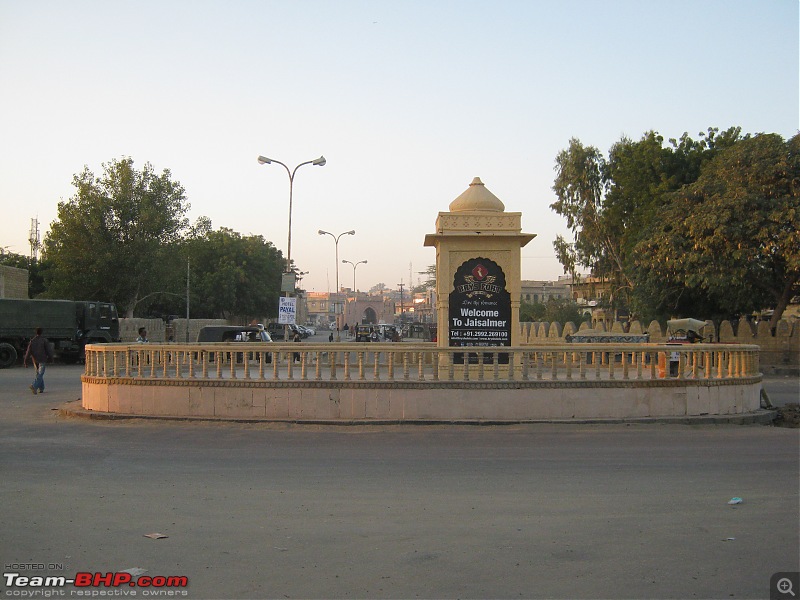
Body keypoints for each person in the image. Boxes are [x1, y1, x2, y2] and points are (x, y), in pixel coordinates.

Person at [24, 327, 53, 395]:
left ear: (36, 332)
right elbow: (49, 351)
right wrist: (51, 358)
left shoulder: (32, 341)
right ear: (41, 332)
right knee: (40, 374)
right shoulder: (44, 341)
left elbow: (28, 352)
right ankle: (34, 386)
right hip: (42, 359)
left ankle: (41, 388)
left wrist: (25, 361)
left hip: (35, 360)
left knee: (38, 374)